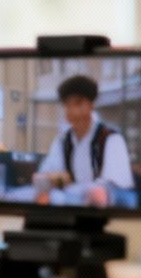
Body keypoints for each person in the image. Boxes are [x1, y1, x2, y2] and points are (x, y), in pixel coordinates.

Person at [35, 74, 134, 208]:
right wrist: (55, 182)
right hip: (70, 201)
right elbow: (44, 176)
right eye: (67, 105)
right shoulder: (62, 141)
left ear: (90, 105)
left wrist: (63, 184)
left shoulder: (111, 139)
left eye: (77, 103)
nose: (71, 110)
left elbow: (108, 190)